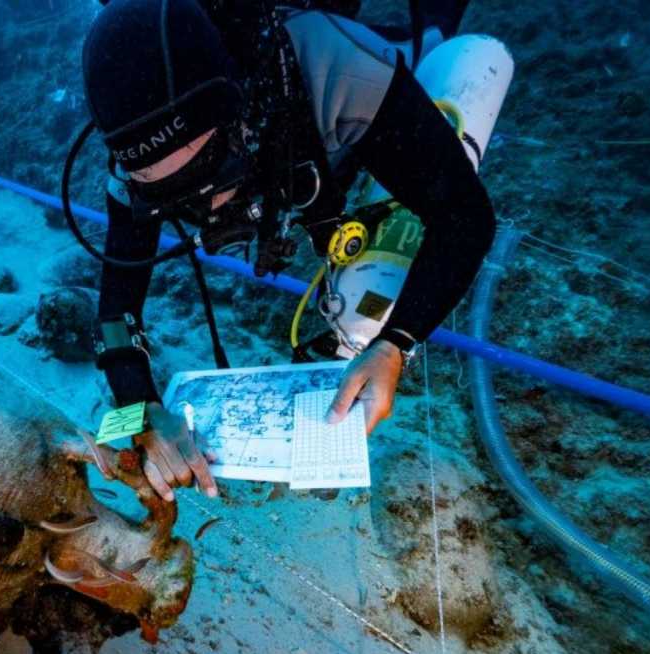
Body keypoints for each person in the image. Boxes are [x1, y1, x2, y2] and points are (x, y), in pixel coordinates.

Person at [76, 0, 495, 501]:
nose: (201, 206)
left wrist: (394, 345)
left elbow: (466, 217)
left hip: (320, 115)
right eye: (165, 193)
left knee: (431, 50)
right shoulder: (134, 158)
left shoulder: (338, 69)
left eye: (208, 172)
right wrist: (139, 411)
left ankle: (434, 30)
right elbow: (115, 313)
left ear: (242, 113)